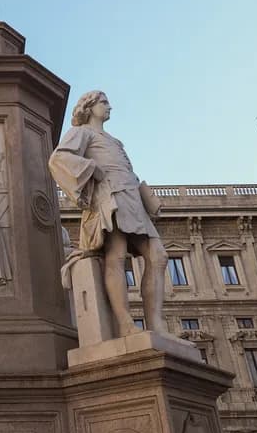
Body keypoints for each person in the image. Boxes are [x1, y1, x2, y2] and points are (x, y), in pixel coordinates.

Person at [48, 91, 168, 337]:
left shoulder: (115, 141)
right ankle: (125, 324)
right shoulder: (82, 133)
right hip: (110, 197)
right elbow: (59, 158)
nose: (109, 106)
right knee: (117, 255)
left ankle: (156, 325)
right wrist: (92, 168)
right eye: (103, 102)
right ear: (89, 107)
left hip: (132, 197)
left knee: (159, 256)